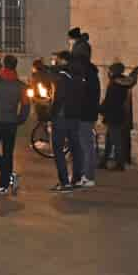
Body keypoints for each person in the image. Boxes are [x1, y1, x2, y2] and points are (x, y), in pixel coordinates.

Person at [0, 55, 29, 195]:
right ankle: (4, 185)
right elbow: (26, 105)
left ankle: (8, 175)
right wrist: (20, 119)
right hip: (11, 122)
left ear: (4, 65)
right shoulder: (20, 85)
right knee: (8, 153)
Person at [50, 33, 87, 193]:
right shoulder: (79, 77)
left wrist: (50, 114)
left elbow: (58, 98)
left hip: (62, 116)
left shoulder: (62, 77)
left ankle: (64, 182)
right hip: (75, 116)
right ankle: (77, 178)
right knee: (75, 147)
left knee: (58, 149)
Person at [101, 64, 138, 171]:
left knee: (115, 140)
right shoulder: (123, 82)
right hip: (117, 113)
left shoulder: (115, 82)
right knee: (110, 139)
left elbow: (109, 100)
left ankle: (119, 163)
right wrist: (134, 73)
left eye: (110, 70)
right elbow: (131, 81)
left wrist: (101, 108)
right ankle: (104, 161)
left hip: (114, 114)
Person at [77, 49, 102, 188]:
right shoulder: (91, 75)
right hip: (87, 114)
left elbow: (84, 97)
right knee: (83, 145)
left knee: (86, 146)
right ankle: (83, 174)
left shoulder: (87, 77)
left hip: (85, 115)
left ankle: (88, 176)